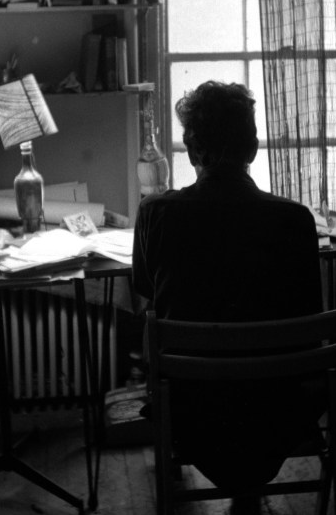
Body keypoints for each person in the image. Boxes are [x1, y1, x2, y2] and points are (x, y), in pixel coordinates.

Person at [132, 81, 323, 489]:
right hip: (278, 411)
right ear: (252, 149)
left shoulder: (156, 214)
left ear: (192, 149)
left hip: (193, 410)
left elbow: (147, 292)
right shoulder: (295, 220)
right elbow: (309, 316)